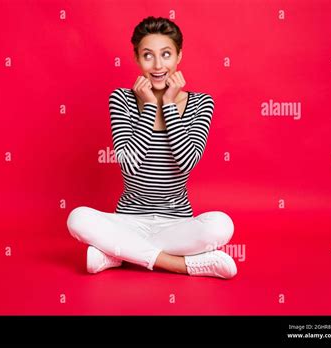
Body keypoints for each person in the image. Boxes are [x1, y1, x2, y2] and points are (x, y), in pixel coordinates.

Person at [67, 16, 237, 279]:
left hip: (177, 224)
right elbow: (129, 165)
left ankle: (117, 253)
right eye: (148, 56)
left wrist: (168, 105)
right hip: (128, 221)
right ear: (136, 58)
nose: (158, 65)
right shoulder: (121, 98)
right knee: (77, 218)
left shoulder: (201, 103)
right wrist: (148, 108)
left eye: (166, 54)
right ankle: (180, 264)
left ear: (179, 56)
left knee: (221, 226)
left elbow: (187, 161)